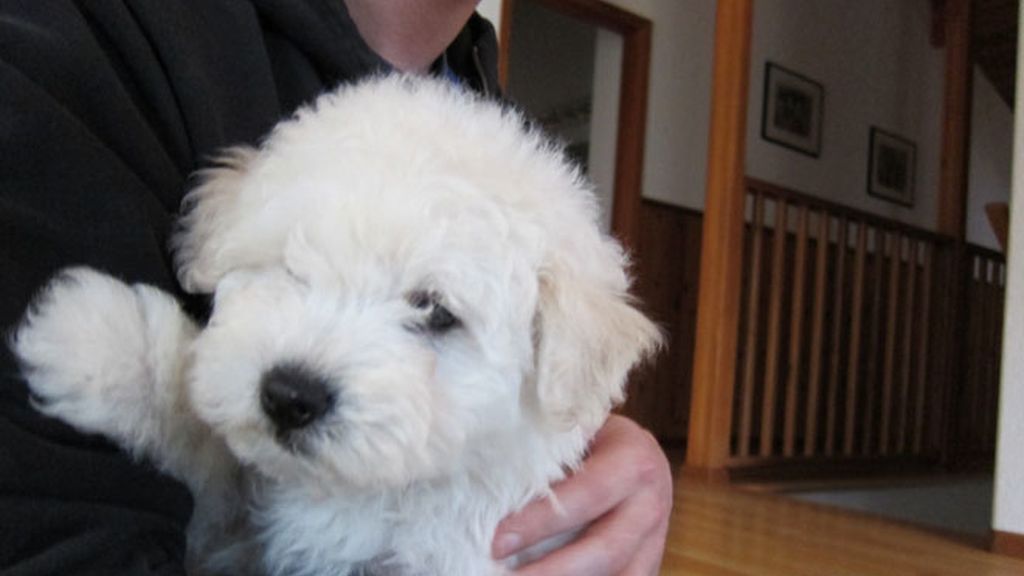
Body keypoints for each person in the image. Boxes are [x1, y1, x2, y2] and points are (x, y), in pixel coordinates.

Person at [0, 1, 672, 574]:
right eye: (295, 267)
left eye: (432, 314)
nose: (307, 366)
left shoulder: (475, 109)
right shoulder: (75, 40)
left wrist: (621, 462)